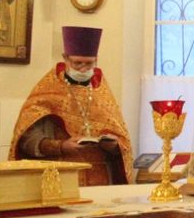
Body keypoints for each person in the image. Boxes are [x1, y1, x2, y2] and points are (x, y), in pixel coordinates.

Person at [10, 26, 133, 186]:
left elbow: (122, 139)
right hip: (60, 175)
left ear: (96, 59)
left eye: (89, 63)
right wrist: (60, 146)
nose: (83, 68)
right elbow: (26, 138)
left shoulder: (101, 91)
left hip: (101, 178)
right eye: (77, 63)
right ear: (65, 58)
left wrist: (114, 145)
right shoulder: (48, 89)